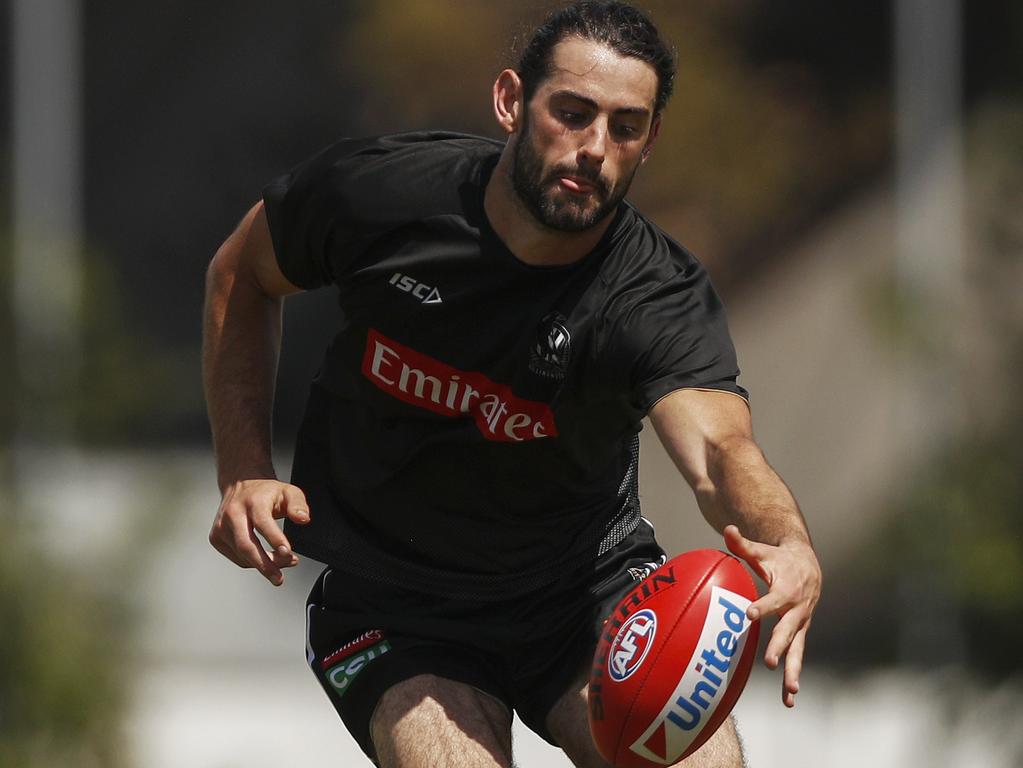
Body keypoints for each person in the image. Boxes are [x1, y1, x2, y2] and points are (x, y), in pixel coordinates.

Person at [203, 2, 822, 766]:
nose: (594, 147)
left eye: (625, 127)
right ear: (509, 102)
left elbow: (722, 449)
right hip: (395, 604)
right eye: (571, 112)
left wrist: (784, 540)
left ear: (649, 141)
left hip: (581, 595)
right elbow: (240, 274)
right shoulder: (379, 198)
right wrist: (242, 470)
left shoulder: (654, 298)